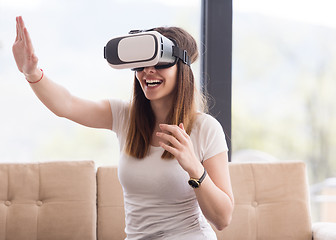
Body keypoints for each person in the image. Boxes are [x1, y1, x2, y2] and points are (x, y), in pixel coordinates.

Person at [13, 16, 234, 240]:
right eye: (142, 63)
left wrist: (195, 168)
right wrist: (31, 73)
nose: (148, 71)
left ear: (181, 67)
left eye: (159, 62)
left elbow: (222, 219)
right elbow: (67, 104)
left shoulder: (205, 128)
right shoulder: (124, 117)